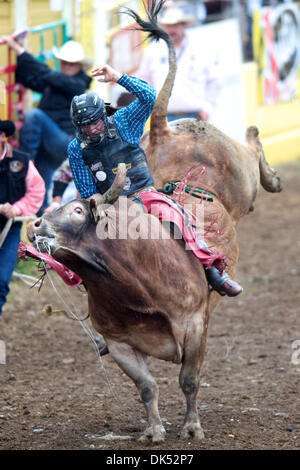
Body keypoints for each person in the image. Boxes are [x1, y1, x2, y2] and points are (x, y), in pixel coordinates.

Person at [68, 63, 242, 298]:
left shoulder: (122, 122)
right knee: (86, 245)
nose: (91, 129)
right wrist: (101, 206)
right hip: (109, 206)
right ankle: (99, 295)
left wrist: (116, 77)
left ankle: (212, 270)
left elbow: (149, 97)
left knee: (178, 217)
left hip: (144, 193)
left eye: (95, 122)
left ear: (103, 115)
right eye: (85, 125)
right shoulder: (76, 148)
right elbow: (86, 188)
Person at [1, 35, 92, 213]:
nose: (66, 66)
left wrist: (20, 51)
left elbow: (44, 74)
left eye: (71, 64)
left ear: (80, 66)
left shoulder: (77, 84)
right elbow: (31, 79)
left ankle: (24, 160)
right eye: (64, 62)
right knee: (41, 183)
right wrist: (21, 58)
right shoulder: (58, 82)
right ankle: (41, 220)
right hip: (54, 143)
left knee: (34, 115)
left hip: (64, 141)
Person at [135, 4, 220, 122]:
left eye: (175, 25)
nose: (171, 30)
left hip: (194, 115)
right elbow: (143, 80)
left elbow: (214, 81)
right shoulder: (154, 49)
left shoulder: (200, 49)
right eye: (168, 25)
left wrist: (207, 108)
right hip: (163, 116)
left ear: (184, 25)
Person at [0, 119, 45, 316]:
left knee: (1, 280)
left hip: (9, 229)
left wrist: (16, 209)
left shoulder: (22, 162)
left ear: (3, 136)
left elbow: (37, 192)